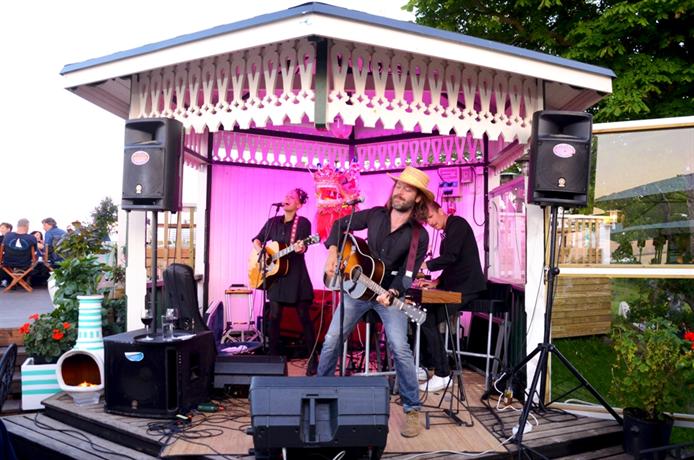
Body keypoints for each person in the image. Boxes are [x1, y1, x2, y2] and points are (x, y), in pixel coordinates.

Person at [317, 166, 432, 438]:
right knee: (332, 339)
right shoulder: (375, 215)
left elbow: (407, 275)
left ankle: (412, 409)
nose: (400, 192)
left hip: (387, 295)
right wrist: (333, 252)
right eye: (399, 186)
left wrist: (392, 292)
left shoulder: (419, 235)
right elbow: (340, 225)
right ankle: (319, 395)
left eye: (407, 189)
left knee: (400, 347)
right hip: (356, 291)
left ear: (417, 198)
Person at [416, 200, 486, 392]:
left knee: (426, 317)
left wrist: (425, 265)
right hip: (456, 287)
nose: (430, 223)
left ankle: (442, 374)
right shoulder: (447, 232)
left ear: (441, 210)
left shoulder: (458, 224)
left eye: (431, 217)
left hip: (468, 288)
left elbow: (451, 257)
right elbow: (452, 264)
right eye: (427, 220)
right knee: (422, 314)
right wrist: (436, 282)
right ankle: (425, 365)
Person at [252, 188, 318, 376]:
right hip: (277, 276)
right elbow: (257, 239)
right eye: (286, 196)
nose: (287, 198)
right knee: (273, 317)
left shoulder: (302, 223)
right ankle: (272, 359)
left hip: (296, 276)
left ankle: (313, 359)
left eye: (292, 197)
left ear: (299, 205)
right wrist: (261, 251)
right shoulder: (273, 221)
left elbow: (304, 246)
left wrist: (301, 248)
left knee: (304, 316)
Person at [0, 218, 39, 288]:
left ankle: (12, 282)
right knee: (36, 263)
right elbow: (35, 252)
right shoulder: (31, 238)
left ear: (17, 226)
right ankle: (21, 279)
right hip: (25, 264)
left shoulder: (7, 235)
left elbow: (3, 249)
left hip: (7, 263)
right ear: (27, 226)